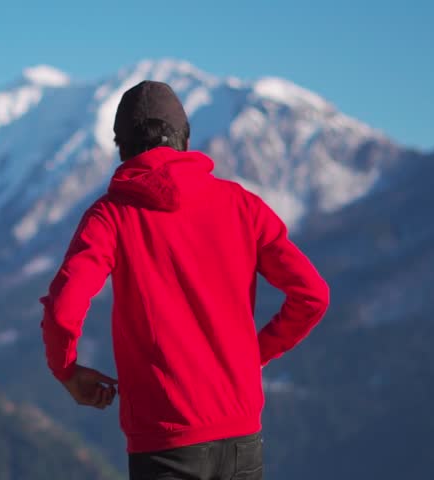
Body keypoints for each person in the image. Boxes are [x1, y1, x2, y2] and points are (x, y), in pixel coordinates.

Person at [39, 80, 330, 480]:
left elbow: (63, 310)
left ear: (120, 147)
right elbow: (312, 295)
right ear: (186, 140)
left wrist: (67, 371)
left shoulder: (111, 216)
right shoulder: (243, 206)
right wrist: (254, 354)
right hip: (243, 439)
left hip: (165, 445)